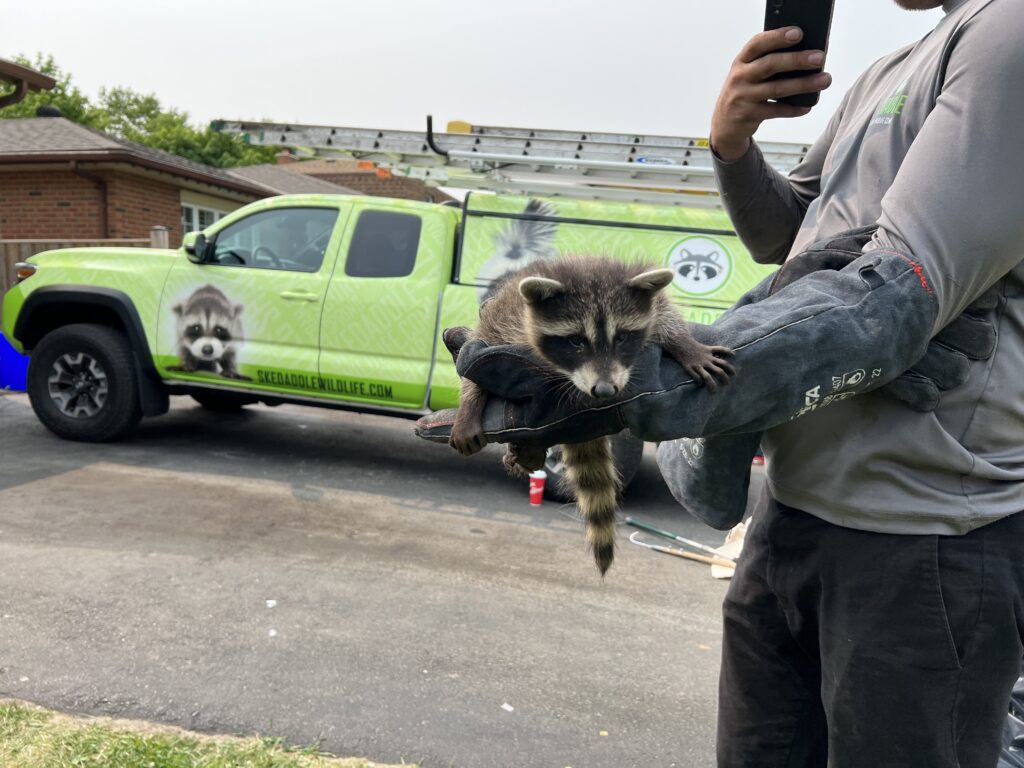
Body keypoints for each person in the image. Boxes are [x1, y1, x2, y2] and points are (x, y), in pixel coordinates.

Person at [418, 0, 1024, 764]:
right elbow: (787, 233)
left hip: (925, 533)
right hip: (791, 511)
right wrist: (731, 143)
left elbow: (891, 298)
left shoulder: (1007, 31)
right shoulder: (888, 70)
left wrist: (639, 389)